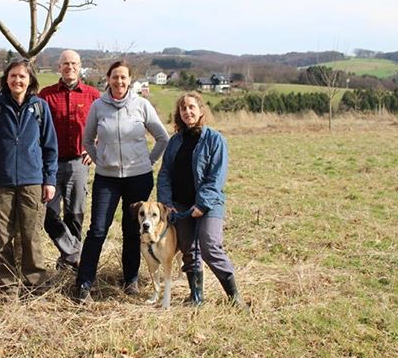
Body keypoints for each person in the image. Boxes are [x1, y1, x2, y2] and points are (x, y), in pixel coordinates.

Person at [74, 60, 169, 301]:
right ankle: (84, 282)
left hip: (139, 178)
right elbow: (87, 140)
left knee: (132, 231)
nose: (119, 81)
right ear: (108, 79)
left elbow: (162, 137)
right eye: (115, 77)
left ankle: (130, 280)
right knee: (97, 230)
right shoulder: (98, 106)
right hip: (108, 179)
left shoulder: (142, 105)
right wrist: (100, 160)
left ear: (130, 80)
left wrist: (148, 162)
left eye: (123, 77)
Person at [0, 58, 58, 296]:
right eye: (13, 76)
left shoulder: (40, 108)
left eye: (22, 76)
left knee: (31, 235)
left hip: (33, 182)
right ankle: (7, 286)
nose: (17, 80)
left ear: (30, 79)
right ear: (6, 79)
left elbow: (50, 147)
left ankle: (35, 284)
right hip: (0, 183)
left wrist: (49, 180)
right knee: (4, 236)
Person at [156, 92, 248, 309]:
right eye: (183, 108)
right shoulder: (174, 141)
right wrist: (166, 202)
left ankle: (234, 295)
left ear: (200, 111)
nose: (187, 112)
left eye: (191, 107)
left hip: (209, 204)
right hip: (179, 205)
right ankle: (196, 296)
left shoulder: (215, 140)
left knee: (209, 246)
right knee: (189, 248)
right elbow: (165, 173)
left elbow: (216, 177)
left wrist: (202, 204)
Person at [38, 50, 100, 270]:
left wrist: (95, 147)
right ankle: (75, 254)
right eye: (65, 63)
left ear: (80, 66)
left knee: (75, 214)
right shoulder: (45, 95)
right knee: (48, 214)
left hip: (78, 163)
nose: (70, 67)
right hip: (51, 164)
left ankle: (69, 263)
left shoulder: (93, 95)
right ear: (59, 67)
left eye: (74, 63)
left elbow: (106, 125)